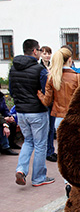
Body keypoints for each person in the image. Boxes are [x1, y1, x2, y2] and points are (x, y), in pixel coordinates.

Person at [8, 37, 54, 187]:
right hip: (37, 112)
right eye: (40, 50)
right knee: (40, 144)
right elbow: (44, 90)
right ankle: (38, 177)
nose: (40, 53)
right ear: (35, 51)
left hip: (21, 111)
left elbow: (11, 90)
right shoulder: (39, 69)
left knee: (28, 141)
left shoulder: (14, 68)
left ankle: (21, 170)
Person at [37, 45, 80, 154]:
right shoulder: (78, 78)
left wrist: (39, 93)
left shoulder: (52, 78)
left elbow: (47, 102)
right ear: (70, 59)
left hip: (59, 119)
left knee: (64, 152)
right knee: (76, 151)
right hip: (74, 118)